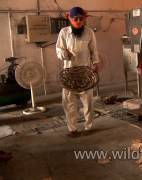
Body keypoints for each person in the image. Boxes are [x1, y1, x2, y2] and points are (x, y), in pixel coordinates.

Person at [56, 6, 100, 137]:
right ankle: (72, 129)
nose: (79, 21)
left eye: (81, 19)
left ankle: (89, 127)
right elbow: (59, 50)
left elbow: (94, 50)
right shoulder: (64, 33)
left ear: (84, 19)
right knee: (69, 102)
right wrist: (65, 54)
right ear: (69, 19)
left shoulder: (89, 32)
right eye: (76, 19)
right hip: (69, 73)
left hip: (86, 72)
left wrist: (96, 64)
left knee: (88, 102)